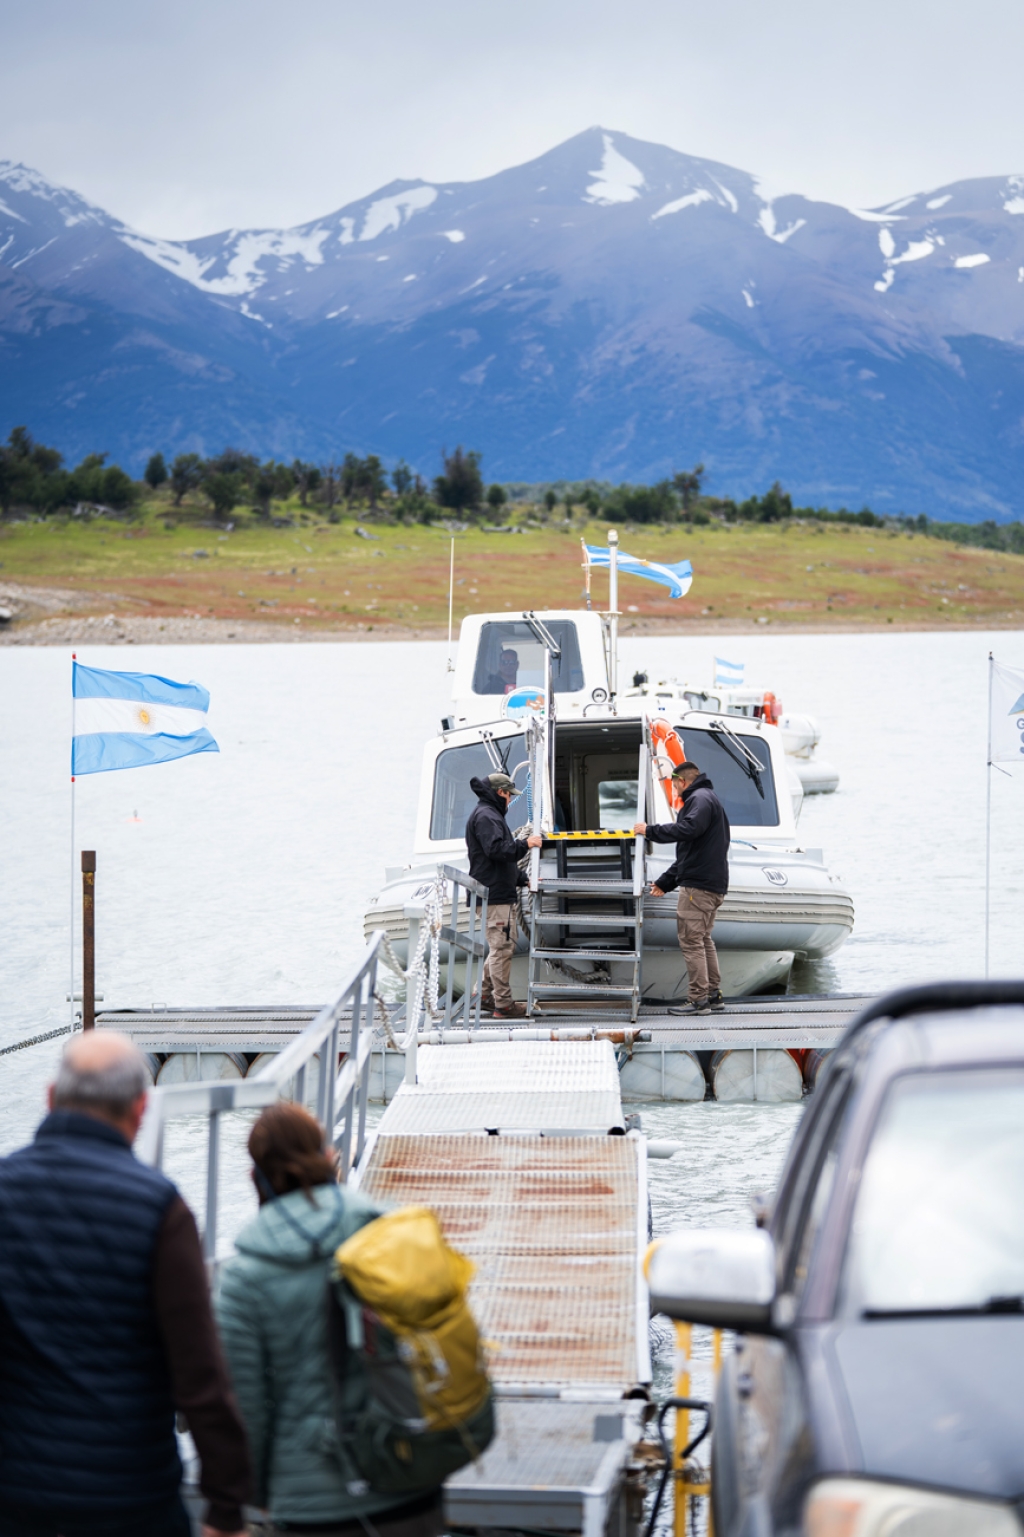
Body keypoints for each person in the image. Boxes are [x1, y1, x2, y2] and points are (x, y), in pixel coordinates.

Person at [0, 1031, 251, 1537]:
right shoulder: (160, 1209)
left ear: (50, 1097)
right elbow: (200, 1376)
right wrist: (226, 1507)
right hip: (131, 1499)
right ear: (141, 1109)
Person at [215, 1103, 445, 1537]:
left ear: (254, 1176)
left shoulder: (244, 1278)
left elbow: (244, 1405)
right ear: (329, 1158)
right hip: (409, 1486)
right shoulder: (389, 1230)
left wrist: (254, 1496)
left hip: (311, 1507)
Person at [634, 759, 730, 1015]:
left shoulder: (699, 799)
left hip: (698, 888)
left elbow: (689, 829)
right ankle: (713, 995)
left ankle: (698, 1000)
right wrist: (665, 882)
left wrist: (650, 831)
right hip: (712, 884)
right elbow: (692, 854)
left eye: (674, 784)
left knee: (691, 941)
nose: (673, 789)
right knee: (703, 939)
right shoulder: (709, 799)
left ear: (682, 781)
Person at [466, 771, 544, 1018]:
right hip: (494, 896)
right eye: (509, 795)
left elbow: (497, 861)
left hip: (496, 892)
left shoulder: (488, 814)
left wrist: (522, 879)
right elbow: (498, 850)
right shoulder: (487, 816)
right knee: (501, 948)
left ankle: (483, 996)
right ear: (501, 792)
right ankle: (504, 1004)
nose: (510, 799)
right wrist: (526, 844)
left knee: (501, 946)